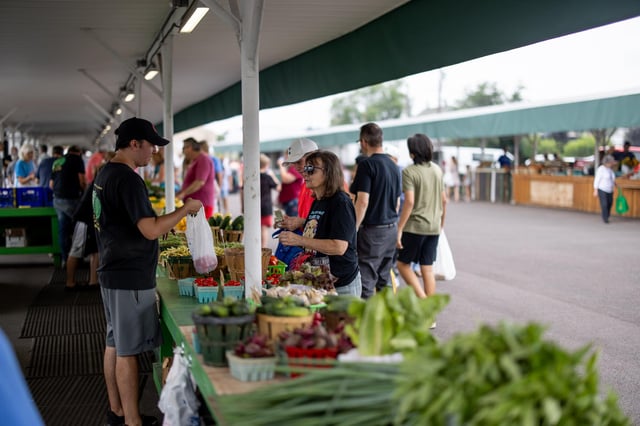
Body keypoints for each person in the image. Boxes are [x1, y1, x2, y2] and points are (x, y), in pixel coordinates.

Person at [93, 117, 202, 426]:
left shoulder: (105, 174)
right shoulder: (127, 178)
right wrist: (185, 210)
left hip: (112, 270)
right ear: (134, 144)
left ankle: (117, 411)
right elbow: (150, 230)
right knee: (127, 351)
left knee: (114, 344)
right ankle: (131, 421)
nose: (154, 151)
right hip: (129, 275)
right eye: (151, 145)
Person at [278, 151, 361, 296]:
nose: (305, 173)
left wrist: (299, 239)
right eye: (305, 169)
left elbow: (339, 247)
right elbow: (319, 231)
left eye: (310, 169)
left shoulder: (340, 202)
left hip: (342, 286)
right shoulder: (318, 201)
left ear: (328, 172)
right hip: (322, 283)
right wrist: (296, 228)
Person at [396, 134, 446, 328]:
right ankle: (430, 314)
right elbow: (444, 200)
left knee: (403, 265)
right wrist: (441, 223)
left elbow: (409, 201)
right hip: (433, 226)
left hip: (415, 226)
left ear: (412, 152)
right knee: (427, 268)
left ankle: (424, 303)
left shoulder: (410, 172)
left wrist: (399, 228)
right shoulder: (437, 170)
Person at [350, 123, 401, 299]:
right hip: (391, 228)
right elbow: (396, 203)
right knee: (384, 280)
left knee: (366, 280)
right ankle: (387, 320)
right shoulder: (394, 166)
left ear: (364, 141)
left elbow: (362, 201)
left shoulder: (367, 165)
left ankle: (364, 324)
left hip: (373, 232)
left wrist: (353, 228)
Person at [51, 145, 86, 264]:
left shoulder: (58, 161)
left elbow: (51, 184)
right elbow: (82, 180)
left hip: (57, 199)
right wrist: (85, 192)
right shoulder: (77, 160)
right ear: (78, 152)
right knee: (78, 228)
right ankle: (77, 258)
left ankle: (65, 259)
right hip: (72, 199)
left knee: (63, 229)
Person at [177, 137, 215, 218]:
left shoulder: (203, 159)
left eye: (184, 148)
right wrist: (181, 191)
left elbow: (200, 182)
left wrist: (183, 193)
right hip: (196, 205)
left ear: (190, 148)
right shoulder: (196, 160)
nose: (183, 151)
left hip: (202, 205)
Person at [281, 138, 318, 220]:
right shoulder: (306, 184)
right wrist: (294, 222)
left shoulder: (330, 185)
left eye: (299, 162)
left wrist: (299, 223)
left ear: (314, 158)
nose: (296, 168)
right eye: (293, 163)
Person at [259, 154, 281, 247]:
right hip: (266, 206)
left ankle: (255, 249)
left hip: (254, 207)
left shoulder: (253, 177)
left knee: (255, 229)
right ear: (266, 165)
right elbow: (278, 188)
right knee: (264, 229)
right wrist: (273, 175)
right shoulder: (268, 177)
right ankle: (262, 249)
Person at [277, 150, 304, 217]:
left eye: (286, 156)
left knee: (291, 224)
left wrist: (281, 165)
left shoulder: (295, 169)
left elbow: (285, 179)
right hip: (286, 201)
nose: (285, 159)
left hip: (292, 201)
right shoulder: (291, 169)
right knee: (283, 222)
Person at [593, 155, 617, 224]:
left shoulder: (610, 170)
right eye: (611, 162)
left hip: (610, 189)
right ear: (607, 162)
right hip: (602, 189)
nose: (612, 164)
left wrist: (614, 185)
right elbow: (597, 179)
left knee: (610, 203)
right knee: (604, 204)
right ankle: (605, 218)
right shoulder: (601, 169)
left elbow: (612, 179)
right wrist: (595, 189)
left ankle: (607, 215)